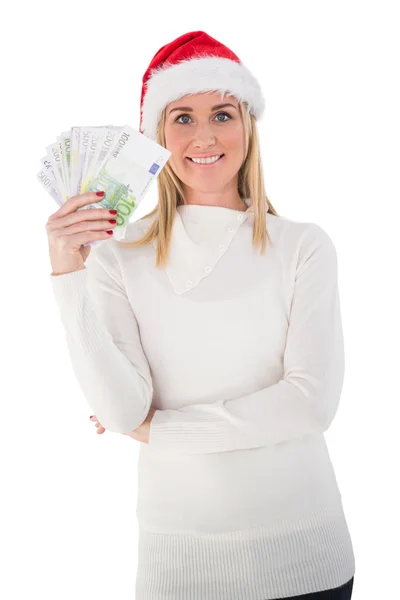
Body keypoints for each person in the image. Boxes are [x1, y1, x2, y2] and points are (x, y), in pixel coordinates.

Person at [47, 30, 355, 600]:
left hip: (305, 556)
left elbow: (311, 403)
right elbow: (119, 409)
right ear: (157, 135)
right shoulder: (117, 255)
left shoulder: (304, 246)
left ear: (248, 126)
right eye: (182, 118)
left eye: (222, 113)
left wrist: (159, 430)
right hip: (179, 564)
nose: (205, 135)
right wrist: (68, 274)